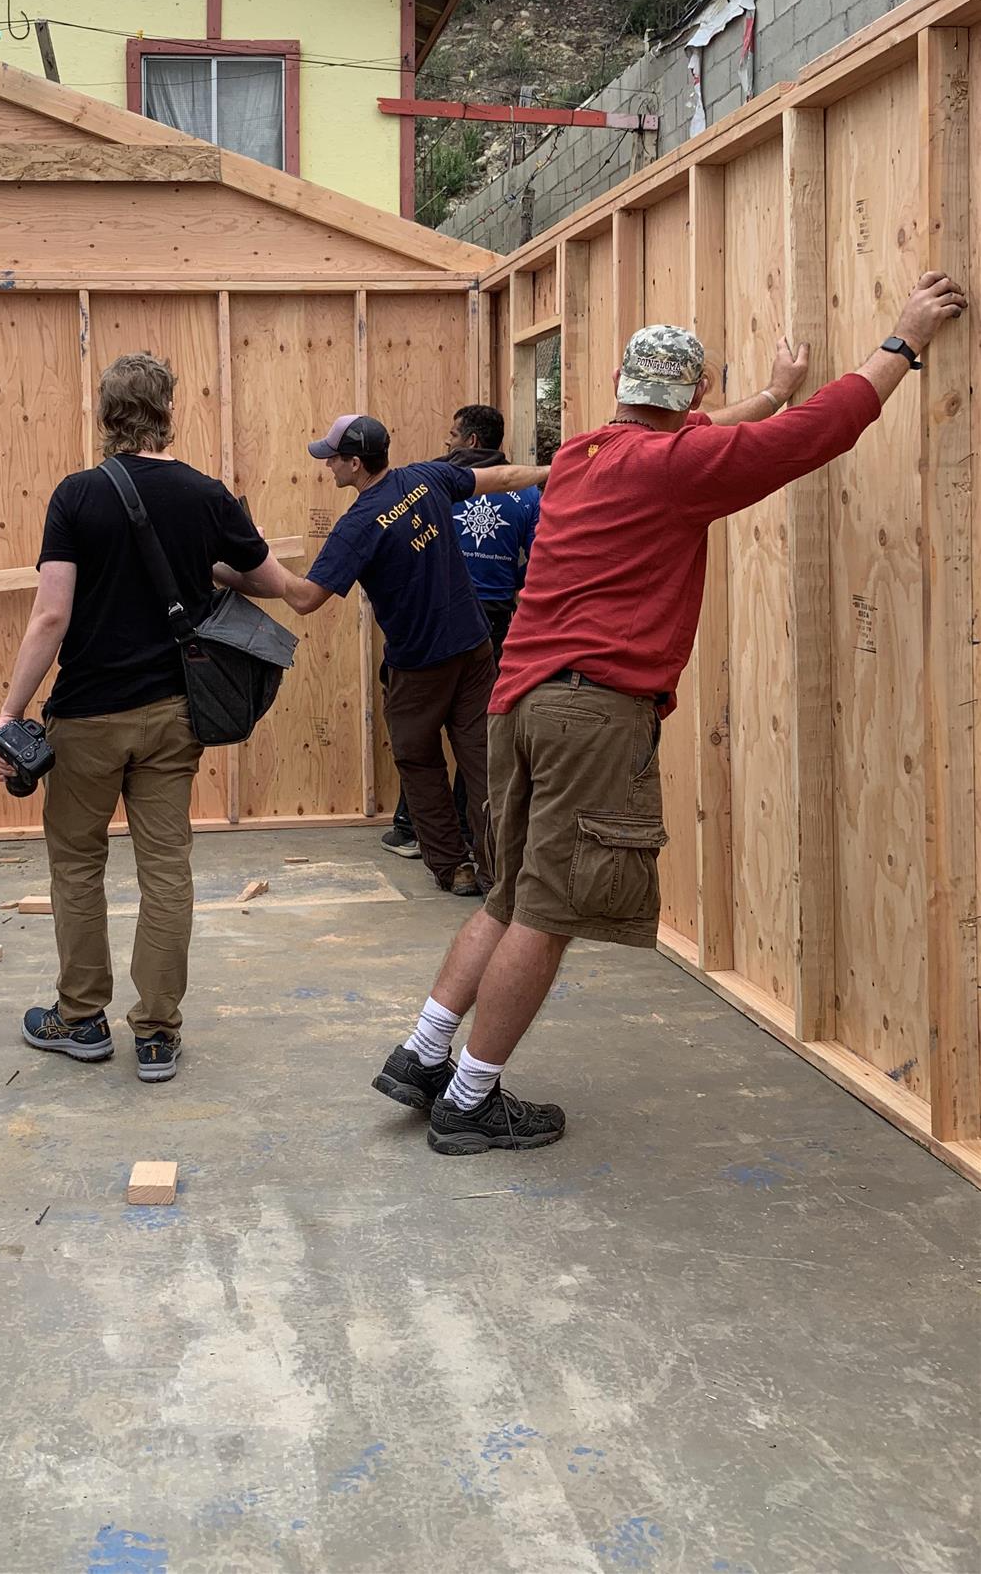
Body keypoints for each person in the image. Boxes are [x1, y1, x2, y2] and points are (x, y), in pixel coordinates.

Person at [371, 274, 966, 1158]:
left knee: (509, 895)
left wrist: (767, 394)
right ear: (691, 393)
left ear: (621, 386)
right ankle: (469, 1099)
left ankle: (422, 1055)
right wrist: (902, 342)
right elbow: (820, 431)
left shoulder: (585, 453)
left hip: (520, 700)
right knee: (550, 911)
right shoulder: (678, 468)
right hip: (590, 714)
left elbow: (711, 432)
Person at [0, 352, 296, 1083]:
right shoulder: (205, 494)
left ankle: (80, 1018)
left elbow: (51, 615)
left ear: (105, 415)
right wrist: (209, 564)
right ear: (168, 411)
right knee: (165, 871)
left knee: (77, 866)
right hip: (171, 716)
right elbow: (263, 580)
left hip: (86, 718)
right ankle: (157, 1033)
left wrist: (10, 711)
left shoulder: (77, 496)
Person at [276, 415, 548, 897]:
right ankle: (500, 876)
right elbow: (506, 477)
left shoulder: (358, 525)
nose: (327, 465)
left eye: (333, 458)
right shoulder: (427, 476)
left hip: (419, 666)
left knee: (418, 761)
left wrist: (245, 565)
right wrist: (556, 468)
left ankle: (453, 867)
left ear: (355, 464)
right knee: (484, 762)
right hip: (474, 648)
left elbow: (304, 598)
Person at [381, 404, 539, 862]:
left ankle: (412, 829)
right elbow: (539, 561)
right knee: (477, 732)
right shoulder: (527, 493)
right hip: (493, 622)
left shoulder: (434, 484)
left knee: (420, 728)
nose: (447, 442)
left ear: (471, 440)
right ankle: (473, 835)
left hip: (437, 616)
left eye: (453, 435)